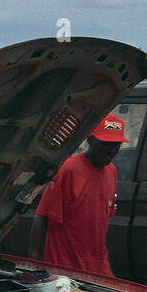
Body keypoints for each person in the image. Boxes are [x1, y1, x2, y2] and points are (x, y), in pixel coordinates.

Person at [30, 114, 128, 276]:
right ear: (90, 140)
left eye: (116, 144)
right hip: (65, 268)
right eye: (106, 144)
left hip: (97, 269)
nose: (112, 150)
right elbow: (42, 216)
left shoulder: (112, 172)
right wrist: (35, 264)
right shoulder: (69, 169)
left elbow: (98, 225)